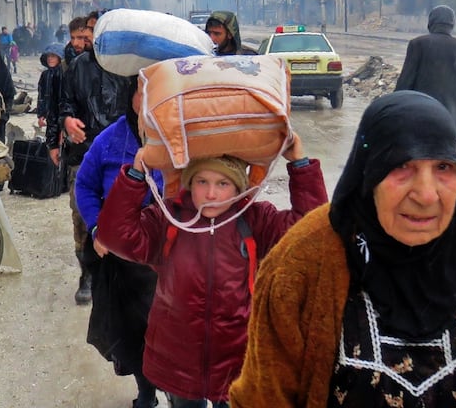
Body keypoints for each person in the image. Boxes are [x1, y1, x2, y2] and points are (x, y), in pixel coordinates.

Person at [229, 91, 456, 407]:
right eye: (402, 166)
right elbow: (263, 395)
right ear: (370, 171)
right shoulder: (301, 261)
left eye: (443, 167)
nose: (427, 195)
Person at [97, 132, 327, 408]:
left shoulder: (255, 220)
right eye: (202, 181)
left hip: (236, 357)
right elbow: (116, 236)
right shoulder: (170, 220)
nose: (211, 194)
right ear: (190, 183)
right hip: (178, 356)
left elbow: (309, 233)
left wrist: (300, 164)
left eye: (223, 183)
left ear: (238, 188)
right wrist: (135, 175)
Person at [76, 77, 164, 408]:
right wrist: (98, 228)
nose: (149, 99)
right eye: (143, 91)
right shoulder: (110, 140)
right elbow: (85, 186)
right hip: (124, 256)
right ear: (131, 96)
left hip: (167, 253)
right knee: (134, 329)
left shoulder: (181, 139)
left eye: (158, 91)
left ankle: (179, 393)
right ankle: (147, 393)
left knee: (171, 329)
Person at [58, 13, 128, 306]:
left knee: (123, 212)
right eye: (81, 34)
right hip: (83, 151)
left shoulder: (127, 67)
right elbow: (65, 104)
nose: (84, 39)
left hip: (121, 152)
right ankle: (86, 273)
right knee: (82, 213)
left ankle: (121, 274)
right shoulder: (76, 67)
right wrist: (67, 121)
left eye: (89, 33)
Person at [394, 5, 456, 138]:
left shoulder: (418, 44)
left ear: (430, 23)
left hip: (420, 122)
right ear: (452, 24)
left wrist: (397, 120)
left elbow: (404, 85)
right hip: (452, 125)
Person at [36, 44, 65, 143]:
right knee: (51, 142)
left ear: (60, 58)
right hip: (50, 116)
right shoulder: (45, 75)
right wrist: (41, 115)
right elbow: (41, 96)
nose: (50, 59)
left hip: (63, 115)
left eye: (53, 56)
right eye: (48, 56)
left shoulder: (65, 74)